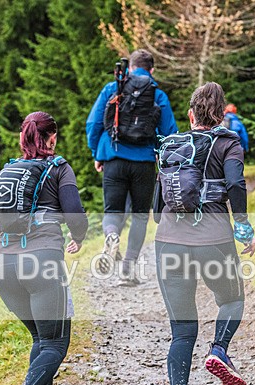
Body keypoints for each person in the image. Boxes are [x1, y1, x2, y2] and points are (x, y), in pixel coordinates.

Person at [0, 111, 88, 385]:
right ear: (50, 138)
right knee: (56, 342)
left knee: (41, 338)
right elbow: (76, 216)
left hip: (4, 268)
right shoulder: (58, 168)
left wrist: (4, 252)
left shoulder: (2, 173)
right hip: (42, 263)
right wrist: (78, 237)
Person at [154, 82, 255, 385]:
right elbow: (236, 185)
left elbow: (157, 206)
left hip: (168, 242)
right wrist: (242, 226)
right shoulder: (228, 142)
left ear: (190, 114)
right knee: (232, 299)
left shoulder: (171, 145)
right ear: (222, 112)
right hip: (213, 239)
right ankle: (219, 350)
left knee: (182, 330)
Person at [86, 49, 177, 284]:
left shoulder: (113, 88)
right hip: (144, 162)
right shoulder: (157, 94)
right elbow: (170, 133)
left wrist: (98, 153)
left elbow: (94, 122)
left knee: (112, 211)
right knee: (139, 216)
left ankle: (112, 235)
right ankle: (128, 269)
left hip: (113, 157)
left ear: (131, 66)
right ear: (152, 70)